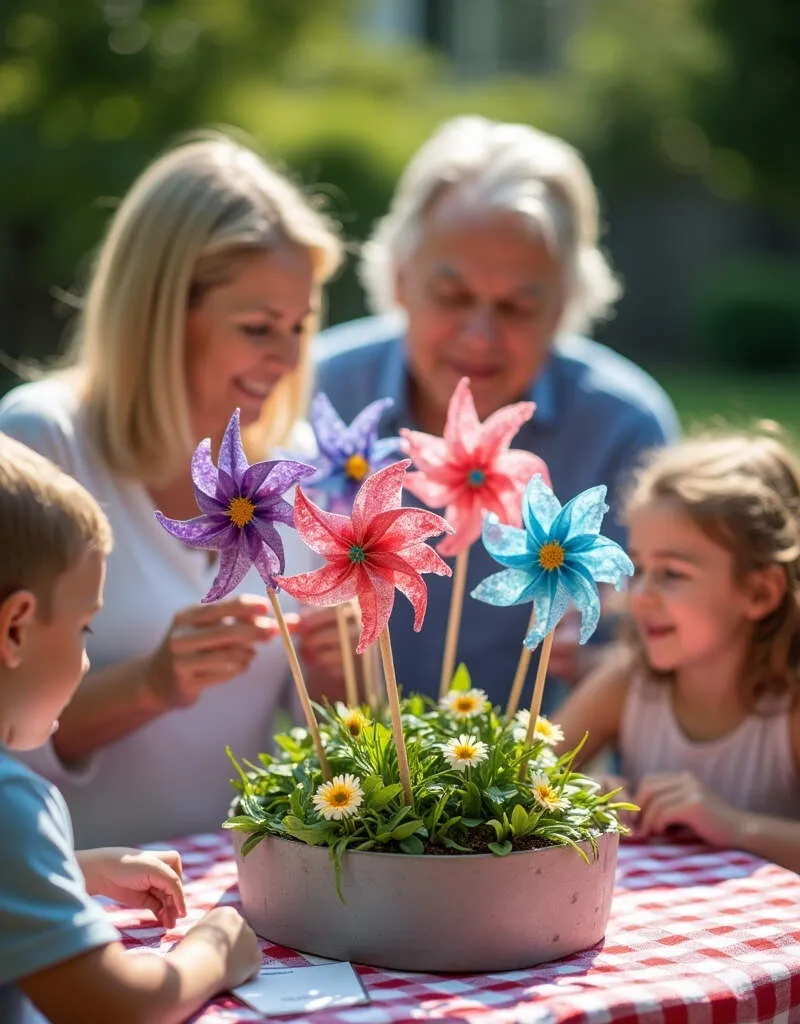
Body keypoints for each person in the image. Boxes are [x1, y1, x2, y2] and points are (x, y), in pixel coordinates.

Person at [0, 132, 347, 846]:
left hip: (234, 890)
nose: (285, 359)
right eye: (257, 327)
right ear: (159, 316)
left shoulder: (295, 462)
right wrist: (152, 684)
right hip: (70, 889)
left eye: (300, 327)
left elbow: (332, 739)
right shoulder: (42, 442)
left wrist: (344, 668)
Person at [314, 115, 679, 709]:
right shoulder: (322, 387)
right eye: (453, 296)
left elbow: (658, 640)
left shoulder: (625, 427)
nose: (480, 336)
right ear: (400, 278)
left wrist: (606, 658)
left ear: (566, 305)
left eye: (517, 307)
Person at [0, 434, 261, 1024]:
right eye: (84, 629)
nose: (87, 658)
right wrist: (215, 951)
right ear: (15, 628)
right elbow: (118, 1005)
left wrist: (72, 869)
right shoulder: (10, 803)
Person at [554, 431, 800, 873]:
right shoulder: (629, 682)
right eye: (639, 568)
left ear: (760, 593)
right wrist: (582, 798)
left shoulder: (790, 708)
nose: (640, 595)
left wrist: (737, 827)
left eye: (672, 573)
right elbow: (523, 774)